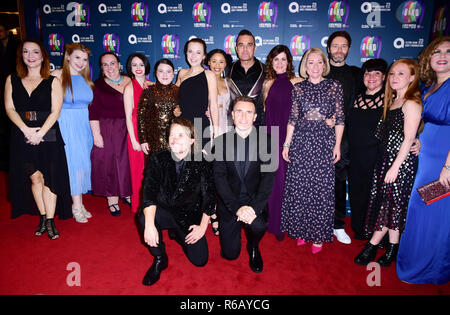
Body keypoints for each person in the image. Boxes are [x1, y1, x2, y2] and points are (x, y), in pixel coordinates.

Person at [354, 59, 422, 267]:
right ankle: (393, 247)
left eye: (400, 74)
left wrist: (395, 167)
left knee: (388, 204)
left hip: (399, 163)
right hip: (385, 159)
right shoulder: (392, 101)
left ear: (412, 77)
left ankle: (372, 245)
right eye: (392, 74)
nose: (394, 78)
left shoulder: (411, 102)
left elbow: (409, 138)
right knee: (393, 205)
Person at [4, 38, 71, 239]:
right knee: (35, 177)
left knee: (49, 177)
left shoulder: (52, 81)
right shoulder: (12, 79)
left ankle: (50, 221)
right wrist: (26, 130)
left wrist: (40, 132)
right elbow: (9, 108)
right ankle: (43, 216)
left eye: (35, 52)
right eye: (26, 52)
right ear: (21, 56)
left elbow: (55, 111)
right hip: (21, 132)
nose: (30, 56)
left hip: (48, 132)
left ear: (43, 56)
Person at [397, 36, 450, 284]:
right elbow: (424, 122)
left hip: (444, 164)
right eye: (437, 51)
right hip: (426, 159)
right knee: (420, 210)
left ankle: (434, 269)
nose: (442, 55)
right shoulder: (429, 87)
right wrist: (419, 139)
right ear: (429, 57)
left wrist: (448, 167)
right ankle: (418, 263)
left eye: (449, 51)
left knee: (436, 213)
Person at [281, 48, 345, 254]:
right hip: (301, 141)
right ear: (305, 66)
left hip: (324, 142)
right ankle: (301, 230)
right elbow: (292, 119)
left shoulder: (334, 86)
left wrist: (337, 145)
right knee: (300, 187)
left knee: (320, 189)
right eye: (311, 62)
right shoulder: (298, 88)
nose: (315, 66)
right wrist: (287, 144)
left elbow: (340, 119)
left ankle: (317, 234)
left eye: (319, 62)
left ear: (324, 65)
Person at [139, 119, 216, 286]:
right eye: (172, 135)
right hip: (164, 210)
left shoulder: (202, 161)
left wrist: (203, 227)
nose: (174, 139)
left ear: (192, 140)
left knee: (200, 260)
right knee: (145, 218)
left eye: (180, 135)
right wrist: (150, 224)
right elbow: (149, 192)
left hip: (188, 215)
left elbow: (210, 197)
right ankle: (160, 258)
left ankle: (178, 234)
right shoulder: (159, 158)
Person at [213, 96, 276, 273]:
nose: (243, 117)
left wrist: (254, 208)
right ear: (232, 115)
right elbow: (220, 178)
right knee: (230, 254)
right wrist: (236, 208)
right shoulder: (220, 142)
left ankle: (253, 246)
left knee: (258, 225)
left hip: (254, 201)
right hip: (230, 203)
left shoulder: (268, 141)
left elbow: (268, 179)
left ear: (255, 117)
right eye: (239, 111)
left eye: (249, 112)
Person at [262, 44, 303, 241]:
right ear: (271, 62)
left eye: (283, 59)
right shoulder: (267, 83)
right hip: (270, 136)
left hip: (290, 138)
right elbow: (263, 111)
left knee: (290, 183)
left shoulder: (298, 82)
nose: (279, 63)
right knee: (274, 183)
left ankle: (291, 222)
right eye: (275, 59)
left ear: (289, 62)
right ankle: (276, 224)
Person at [325, 31, 362, 244]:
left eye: (344, 46)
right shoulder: (319, 71)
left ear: (349, 49)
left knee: (339, 184)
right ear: (328, 48)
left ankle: (338, 225)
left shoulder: (357, 75)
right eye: (335, 46)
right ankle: (314, 221)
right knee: (316, 183)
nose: (339, 50)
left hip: (345, 139)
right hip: (318, 137)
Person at [51, 43, 94, 223]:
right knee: (73, 165)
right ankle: (76, 206)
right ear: (68, 56)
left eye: (84, 59)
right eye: (77, 57)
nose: (81, 62)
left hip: (84, 127)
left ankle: (80, 202)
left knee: (82, 166)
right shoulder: (56, 75)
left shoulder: (86, 80)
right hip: (65, 125)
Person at [347, 58, 388, 239]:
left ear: (384, 77)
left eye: (376, 73)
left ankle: (375, 232)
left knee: (376, 195)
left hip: (377, 156)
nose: (371, 77)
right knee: (357, 192)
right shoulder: (356, 97)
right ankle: (359, 228)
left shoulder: (389, 100)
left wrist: (415, 140)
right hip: (355, 155)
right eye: (367, 73)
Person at [89, 52, 132, 216]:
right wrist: (96, 135)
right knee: (109, 164)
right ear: (101, 68)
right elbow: (93, 112)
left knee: (126, 163)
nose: (109, 67)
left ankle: (126, 193)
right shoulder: (97, 86)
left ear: (119, 64)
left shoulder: (130, 80)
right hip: (108, 129)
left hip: (128, 128)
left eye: (112, 63)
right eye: (105, 64)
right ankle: (112, 199)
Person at [176, 38, 218, 150]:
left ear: (204, 56)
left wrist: (216, 131)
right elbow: (171, 93)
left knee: (201, 163)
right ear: (186, 53)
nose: (193, 56)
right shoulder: (182, 73)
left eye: (198, 52)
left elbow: (213, 105)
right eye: (190, 51)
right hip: (182, 124)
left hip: (201, 125)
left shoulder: (209, 75)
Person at [123, 53, 150, 213]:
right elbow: (128, 116)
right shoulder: (129, 88)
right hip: (136, 133)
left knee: (151, 171)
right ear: (130, 68)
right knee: (138, 171)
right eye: (134, 65)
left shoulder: (150, 85)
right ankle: (139, 206)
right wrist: (133, 140)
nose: (138, 68)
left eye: (141, 64)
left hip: (150, 133)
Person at [137, 58, 181, 157]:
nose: (165, 75)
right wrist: (143, 140)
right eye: (161, 71)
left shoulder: (179, 91)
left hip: (175, 142)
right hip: (153, 143)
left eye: (168, 71)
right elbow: (141, 117)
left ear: (173, 74)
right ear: (156, 73)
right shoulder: (148, 91)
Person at [228, 29, 266, 127]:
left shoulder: (267, 71)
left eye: (249, 45)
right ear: (236, 49)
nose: (245, 49)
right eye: (241, 45)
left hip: (260, 127)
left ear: (255, 48)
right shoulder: (226, 70)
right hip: (232, 127)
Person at [206, 48, 233, 136]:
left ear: (225, 64)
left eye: (221, 62)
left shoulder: (229, 82)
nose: (217, 65)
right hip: (207, 126)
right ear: (209, 62)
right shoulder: (202, 82)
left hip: (226, 126)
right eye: (214, 61)